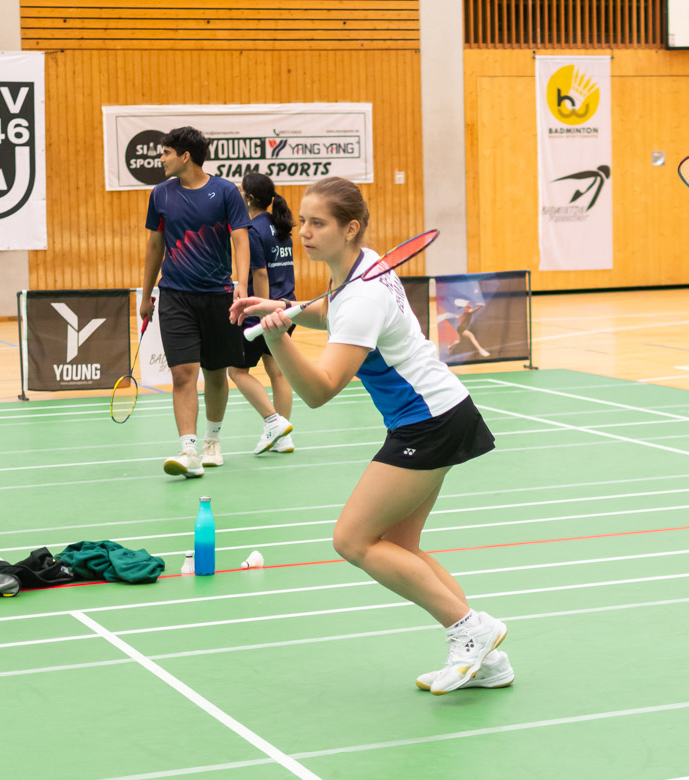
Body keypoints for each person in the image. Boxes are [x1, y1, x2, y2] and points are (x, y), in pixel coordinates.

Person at [229, 177, 511, 695]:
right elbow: (330, 308)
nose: (304, 232)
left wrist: (279, 340)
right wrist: (283, 307)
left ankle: (471, 630)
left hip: (427, 421)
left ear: (350, 228)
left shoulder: (363, 296)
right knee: (400, 546)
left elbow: (320, 391)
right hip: (439, 413)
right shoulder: (363, 267)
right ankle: (488, 658)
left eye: (318, 224)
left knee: (353, 539)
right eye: (303, 221)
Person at [141, 126, 250, 478]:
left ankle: (212, 441)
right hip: (175, 295)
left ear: (185, 156)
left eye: (166, 153)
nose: (161, 159)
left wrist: (242, 284)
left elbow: (240, 239)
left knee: (215, 373)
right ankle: (188, 449)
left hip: (218, 295)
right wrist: (146, 294)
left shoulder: (226, 192)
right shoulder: (160, 194)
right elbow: (154, 246)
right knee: (182, 373)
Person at [229, 173, 296, 454]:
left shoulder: (253, 230)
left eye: (241, 189)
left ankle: (274, 423)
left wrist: (263, 312)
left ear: (250, 198)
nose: (238, 192)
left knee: (236, 371)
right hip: (287, 307)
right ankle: (283, 437)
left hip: (264, 312)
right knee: (277, 372)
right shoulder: (280, 225)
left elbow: (260, 273)